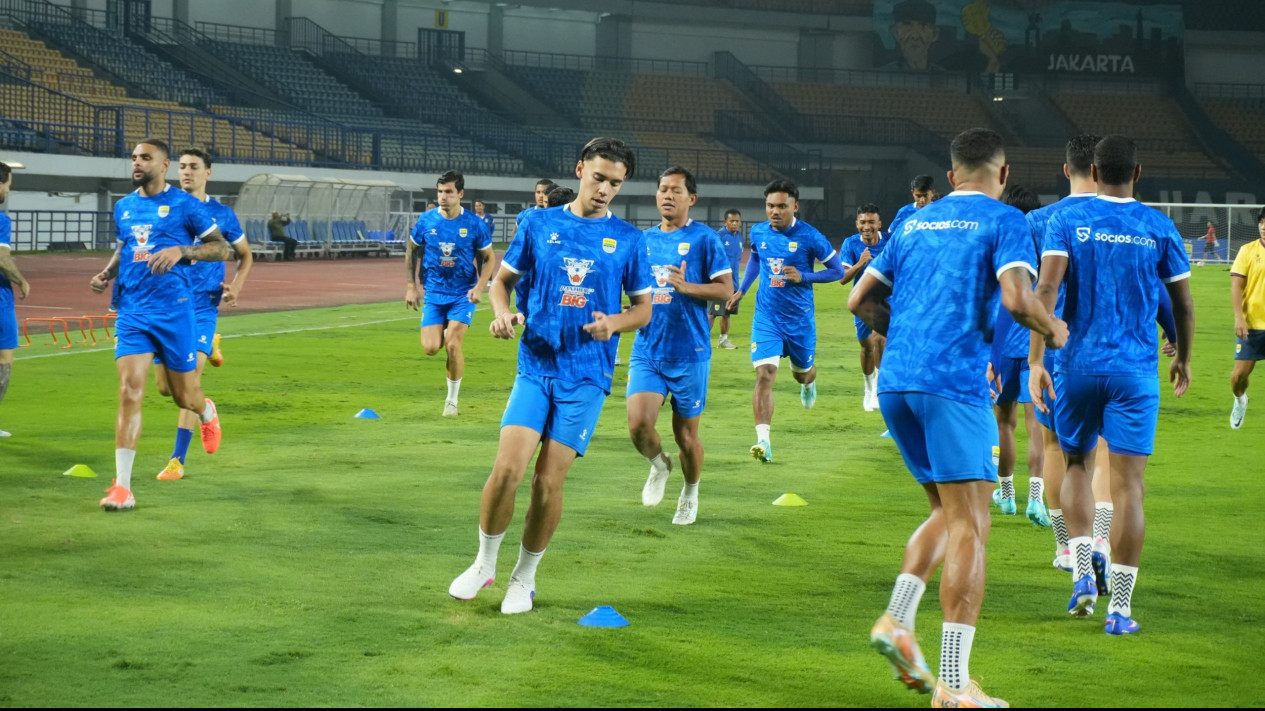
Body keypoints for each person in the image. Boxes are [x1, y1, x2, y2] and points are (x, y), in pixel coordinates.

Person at [850, 127, 1067, 707]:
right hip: (952, 386)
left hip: (899, 382)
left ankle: (898, 620)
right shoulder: (1005, 221)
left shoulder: (913, 222)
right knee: (973, 524)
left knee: (948, 514)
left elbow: (858, 301)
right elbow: (1020, 301)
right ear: (1002, 173)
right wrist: (1054, 328)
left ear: (950, 176)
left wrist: (912, 342)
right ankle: (953, 684)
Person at [447, 138, 651, 614]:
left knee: (546, 482)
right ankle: (484, 563)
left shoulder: (628, 239)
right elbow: (502, 281)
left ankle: (525, 577)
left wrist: (612, 324)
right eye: (598, 177)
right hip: (536, 366)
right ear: (580, 169)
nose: (604, 189)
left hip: (587, 376)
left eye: (614, 183)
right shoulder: (538, 223)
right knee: (507, 470)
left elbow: (642, 310)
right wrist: (501, 315)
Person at [1029, 134, 1194, 635]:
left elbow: (1048, 289)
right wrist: (1184, 357)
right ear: (1138, 174)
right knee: (1129, 489)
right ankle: (1120, 610)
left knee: (1076, 462)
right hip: (1136, 371)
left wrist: (1037, 360)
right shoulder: (1159, 225)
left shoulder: (1065, 219)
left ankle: (1081, 570)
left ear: (1094, 173)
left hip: (1075, 365)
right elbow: (1182, 305)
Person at [88, 138, 232, 511]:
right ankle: (123, 487)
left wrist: (181, 251)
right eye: (134, 157)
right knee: (129, 390)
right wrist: (107, 273)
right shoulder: (124, 206)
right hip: (134, 312)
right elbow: (126, 248)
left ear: (164, 164)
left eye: (145, 157)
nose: (137, 163)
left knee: (181, 395)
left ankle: (206, 411)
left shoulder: (185, 205)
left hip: (176, 312)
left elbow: (220, 248)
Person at [628, 167, 733, 526]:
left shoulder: (705, 240)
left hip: (690, 353)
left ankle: (690, 493)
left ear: (692, 198)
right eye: (662, 189)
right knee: (638, 427)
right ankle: (659, 466)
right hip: (647, 349)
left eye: (676, 190)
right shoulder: (643, 241)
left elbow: (725, 290)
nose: (667, 195)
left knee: (686, 436)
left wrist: (688, 288)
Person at [152, 149, 253, 481]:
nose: (186, 172)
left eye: (193, 167)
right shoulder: (164, 209)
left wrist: (236, 286)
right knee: (166, 389)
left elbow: (245, 255)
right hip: (168, 306)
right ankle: (208, 395)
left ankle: (176, 460)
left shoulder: (221, 214)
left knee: (188, 381)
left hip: (202, 306)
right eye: (181, 167)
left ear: (208, 173)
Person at [725, 179, 844, 462]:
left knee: (801, 372)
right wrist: (742, 289)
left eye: (781, 206)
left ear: (795, 206)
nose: (774, 211)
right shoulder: (758, 231)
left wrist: (805, 276)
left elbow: (837, 271)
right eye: (770, 205)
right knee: (765, 374)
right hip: (766, 317)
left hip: (800, 320)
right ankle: (763, 442)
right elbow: (755, 259)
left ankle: (808, 382)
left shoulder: (811, 236)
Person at [405, 170, 495, 417]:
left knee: (453, 345)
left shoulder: (475, 224)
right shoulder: (426, 221)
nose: (443, 197)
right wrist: (411, 286)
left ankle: (451, 402)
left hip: (462, 294)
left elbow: (489, 258)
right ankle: (445, 328)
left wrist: (479, 287)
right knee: (431, 348)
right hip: (434, 292)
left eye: (448, 192)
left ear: (460, 194)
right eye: (440, 192)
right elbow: (411, 251)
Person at [986, 184, 1048, 524]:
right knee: (1036, 424)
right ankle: (1036, 500)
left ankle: (1007, 495)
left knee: (1004, 422)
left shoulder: (1002, 243)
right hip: (1036, 344)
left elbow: (994, 303)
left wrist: (991, 356)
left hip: (1003, 344)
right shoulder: (1047, 244)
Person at [839, 203, 888, 412]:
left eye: (871, 222)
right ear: (857, 224)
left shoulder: (891, 241)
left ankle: (878, 385)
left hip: (889, 298)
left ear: (879, 224)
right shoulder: (850, 244)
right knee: (867, 348)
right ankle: (868, 388)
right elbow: (842, 279)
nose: (866, 226)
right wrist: (860, 263)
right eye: (862, 222)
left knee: (879, 338)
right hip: (863, 301)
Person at [0, 161, 31, 438]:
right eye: (8, 184)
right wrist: (20, 279)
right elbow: (2, 258)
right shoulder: (1, 219)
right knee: (4, 356)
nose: (9, 190)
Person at [1230, 207, 1265, 429]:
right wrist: (1239, 317)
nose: (1264, 227)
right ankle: (1240, 399)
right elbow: (1236, 285)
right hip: (1252, 325)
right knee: (1238, 378)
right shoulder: (1247, 250)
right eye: (1262, 223)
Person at [708, 209, 744, 349]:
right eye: (731, 221)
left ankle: (723, 340)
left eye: (737, 221)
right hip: (720, 283)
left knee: (727, 313)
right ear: (725, 222)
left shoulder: (739, 238)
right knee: (712, 313)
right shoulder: (719, 236)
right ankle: (703, 341)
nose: (734, 223)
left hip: (734, 283)